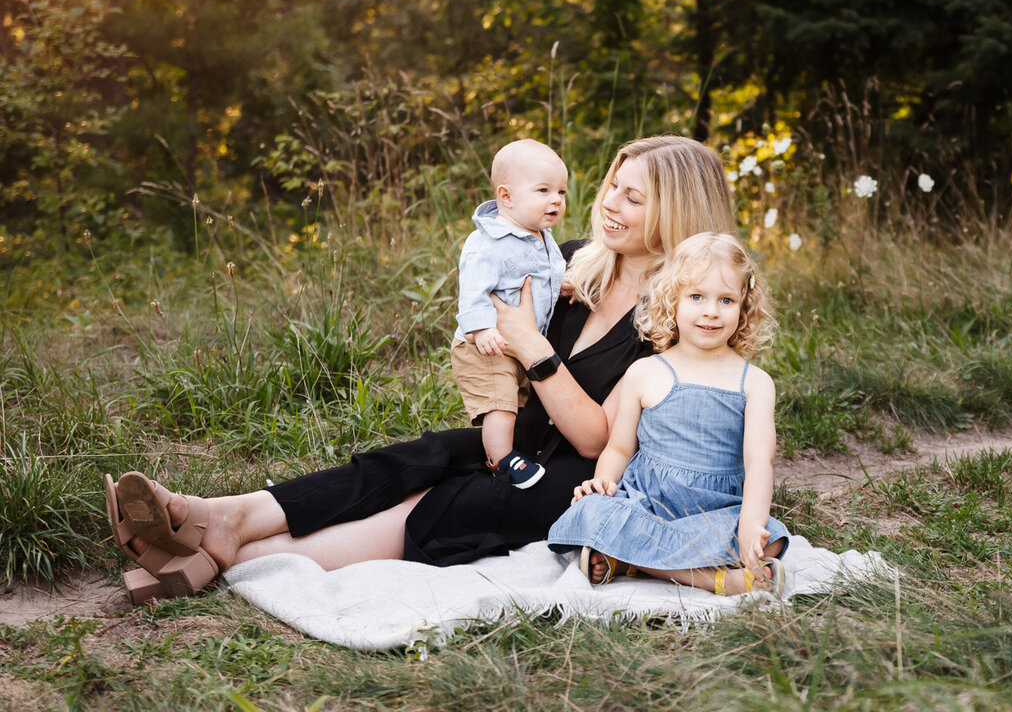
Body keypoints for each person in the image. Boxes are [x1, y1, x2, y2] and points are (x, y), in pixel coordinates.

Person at [104, 134, 739, 603]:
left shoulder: (684, 314)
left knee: (456, 501)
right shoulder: (568, 263)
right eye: (610, 187)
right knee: (415, 459)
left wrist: (532, 347)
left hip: (597, 476)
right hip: (529, 434)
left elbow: (599, 438)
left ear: (676, 211)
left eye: (634, 197)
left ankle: (231, 558)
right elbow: (488, 303)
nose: (610, 205)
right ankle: (227, 515)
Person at [547, 232, 789, 596]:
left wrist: (750, 525)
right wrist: (603, 485)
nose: (711, 311)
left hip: (714, 510)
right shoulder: (646, 372)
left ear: (744, 307)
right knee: (592, 512)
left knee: (770, 539)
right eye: (696, 297)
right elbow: (619, 448)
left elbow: (759, 462)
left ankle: (629, 561)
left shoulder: (754, 383)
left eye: (726, 300)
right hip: (648, 502)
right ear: (671, 300)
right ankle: (716, 579)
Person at [452, 139, 568, 490]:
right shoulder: (487, 244)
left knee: (516, 401)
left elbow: (541, 276)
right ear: (506, 197)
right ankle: (501, 461)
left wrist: (564, 285)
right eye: (544, 190)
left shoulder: (539, 235)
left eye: (561, 191)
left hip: (514, 343)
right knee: (500, 403)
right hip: (484, 346)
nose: (556, 200)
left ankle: (503, 448)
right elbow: (472, 292)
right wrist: (482, 329)